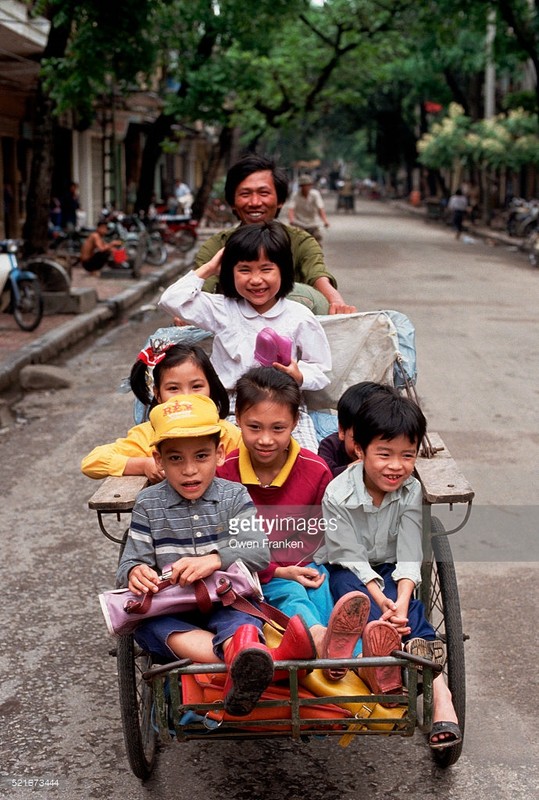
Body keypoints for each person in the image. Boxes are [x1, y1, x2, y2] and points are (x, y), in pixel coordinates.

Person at [116, 394, 316, 716]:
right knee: (146, 626)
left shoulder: (234, 495)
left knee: (241, 617)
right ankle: (256, 665)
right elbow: (129, 562)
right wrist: (135, 571)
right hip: (174, 609)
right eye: (176, 459)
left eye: (201, 456)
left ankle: (246, 660)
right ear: (159, 459)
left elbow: (258, 552)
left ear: (220, 454)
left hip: (227, 599)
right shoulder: (148, 505)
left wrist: (214, 559)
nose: (190, 470)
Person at [319, 391, 462, 749]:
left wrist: (400, 599)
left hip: (391, 567)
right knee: (352, 594)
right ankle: (371, 653)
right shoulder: (337, 492)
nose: (396, 465)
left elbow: (411, 550)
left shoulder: (412, 490)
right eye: (384, 454)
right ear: (360, 450)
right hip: (350, 567)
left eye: (407, 455)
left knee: (412, 612)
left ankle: (441, 696)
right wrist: (380, 597)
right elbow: (348, 554)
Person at [217, 366, 370, 680]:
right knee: (291, 594)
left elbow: (319, 530)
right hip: (256, 575)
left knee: (329, 599)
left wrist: (303, 563)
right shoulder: (225, 474)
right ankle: (322, 646)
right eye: (254, 427)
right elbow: (226, 541)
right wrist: (278, 569)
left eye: (278, 428)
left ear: (295, 424)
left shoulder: (315, 471)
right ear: (238, 420)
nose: (265, 439)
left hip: (308, 564)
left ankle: (357, 663)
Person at [158, 221, 332, 448]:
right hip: (229, 406)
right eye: (244, 269)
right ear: (230, 272)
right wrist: (210, 267)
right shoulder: (222, 308)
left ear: (283, 270)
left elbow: (321, 367)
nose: (256, 279)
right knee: (222, 460)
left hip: (284, 405)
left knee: (305, 459)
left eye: (266, 269)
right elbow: (171, 300)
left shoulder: (299, 316)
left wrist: (299, 375)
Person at [195, 154, 356, 315]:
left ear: (280, 200)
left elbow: (317, 274)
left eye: (264, 193)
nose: (255, 202)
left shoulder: (300, 242)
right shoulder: (217, 245)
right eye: (245, 194)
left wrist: (335, 301)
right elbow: (201, 285)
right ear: (232, 203)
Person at [81, 342, 241, 481]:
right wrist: (143, 465)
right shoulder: (148, 435)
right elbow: (93, 462)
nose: (185, 397)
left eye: (196, 387)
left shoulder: (226, 432)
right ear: (158, 394)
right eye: (173, 388)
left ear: (210, 388)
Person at [318, 382, 398, 477]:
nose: (366, 450)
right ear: (342, 430)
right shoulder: (330, 446)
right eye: (360, 440)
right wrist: (356, 467)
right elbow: (323, 477)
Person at [287, 175, 329, 244]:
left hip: (313, 223)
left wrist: (325, 221)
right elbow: (291, 209)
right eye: (304, 185)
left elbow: (320, 208)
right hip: (300, 223)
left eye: (308, 185)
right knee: (297, 241)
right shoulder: (295, 195)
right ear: (301, 186)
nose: (306, 187)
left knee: (317, 239)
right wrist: (291, 220)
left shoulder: (315, 194)